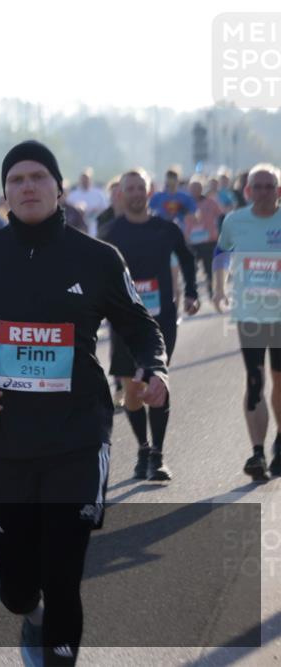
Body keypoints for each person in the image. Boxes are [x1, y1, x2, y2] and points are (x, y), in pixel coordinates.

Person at [0, 141, 168, 666]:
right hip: (4, 437)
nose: (28, 187)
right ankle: (29, 613)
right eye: (16, 180)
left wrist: (154, 369)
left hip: (77, 435)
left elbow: (140, 325)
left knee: (64, 575)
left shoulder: (99, 258)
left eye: (39, 177)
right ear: (3, 195)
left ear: (59, 188)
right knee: (18, 587)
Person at [104, 169, 199, 481]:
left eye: (140, 188)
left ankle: (157, 455)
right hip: (124, 323)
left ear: (150, 191)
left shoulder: (165, 228)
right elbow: (95, 273)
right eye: (129, 188)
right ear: (121, 194)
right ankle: (143, 447)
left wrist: (193, 293)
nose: (135, 193)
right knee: (132, 388)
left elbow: (186, 258)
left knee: (157, 381)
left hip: (161, 320)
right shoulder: (110, 232)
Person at [213, 163, 281, 480]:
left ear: (278, 191)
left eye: (270, 186)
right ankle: (257, 453)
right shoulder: (235, 221)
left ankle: (280, 440)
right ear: (248, 190)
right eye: (258, 186)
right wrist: (217, 288)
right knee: (255, 381)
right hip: (250, 315)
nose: (264, 192)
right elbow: (221, 253)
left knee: (280, 382)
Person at [185, 178, 223, 299]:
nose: (195, 190)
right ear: (189, 190)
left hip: (208, 241)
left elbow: (221, 215)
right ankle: (192, 293)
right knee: (191, 269)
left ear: (202, 188)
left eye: (198, 188)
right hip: (191, 242)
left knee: (209, 269)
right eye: (193, 188)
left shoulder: (211, 202)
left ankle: (212, 291)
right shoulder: (184, 204)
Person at [65, 168, 108, 236]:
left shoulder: (98, 194)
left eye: (87, 178)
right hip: (76, 226)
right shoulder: (73, 195)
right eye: (83, 178)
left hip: (94, 226)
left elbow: (104, 209)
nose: (85, 181)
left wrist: (94, 211)